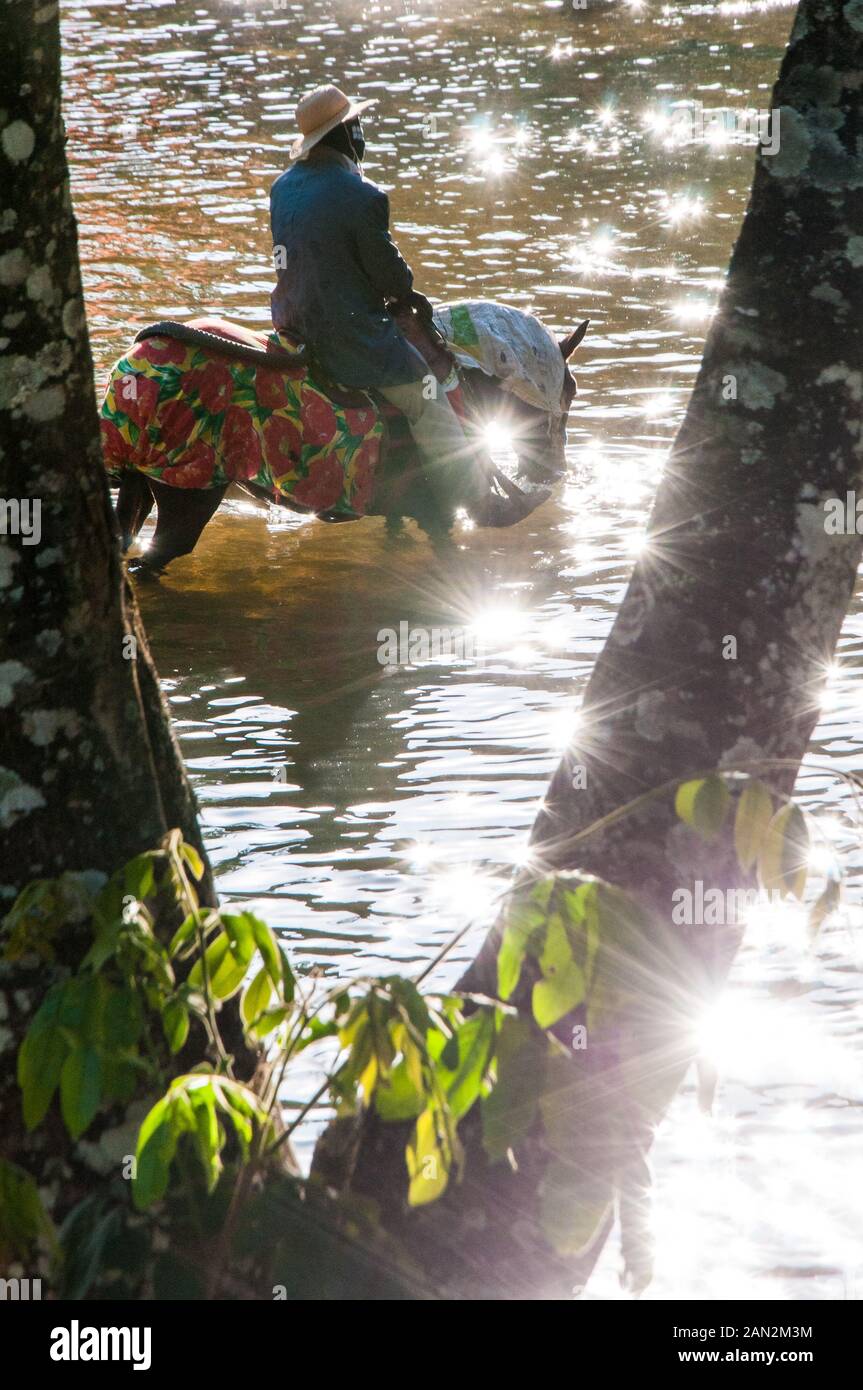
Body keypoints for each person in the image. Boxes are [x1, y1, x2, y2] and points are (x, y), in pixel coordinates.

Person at [269, 84, 501, 520]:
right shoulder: (363, 195)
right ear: (343, 136)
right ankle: (473, 498)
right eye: (357, 127)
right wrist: (401, 288)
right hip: (349, 339)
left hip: (292, 327)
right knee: (427, 398)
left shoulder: (282, 187)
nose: (362, 135)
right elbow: (392, 278)